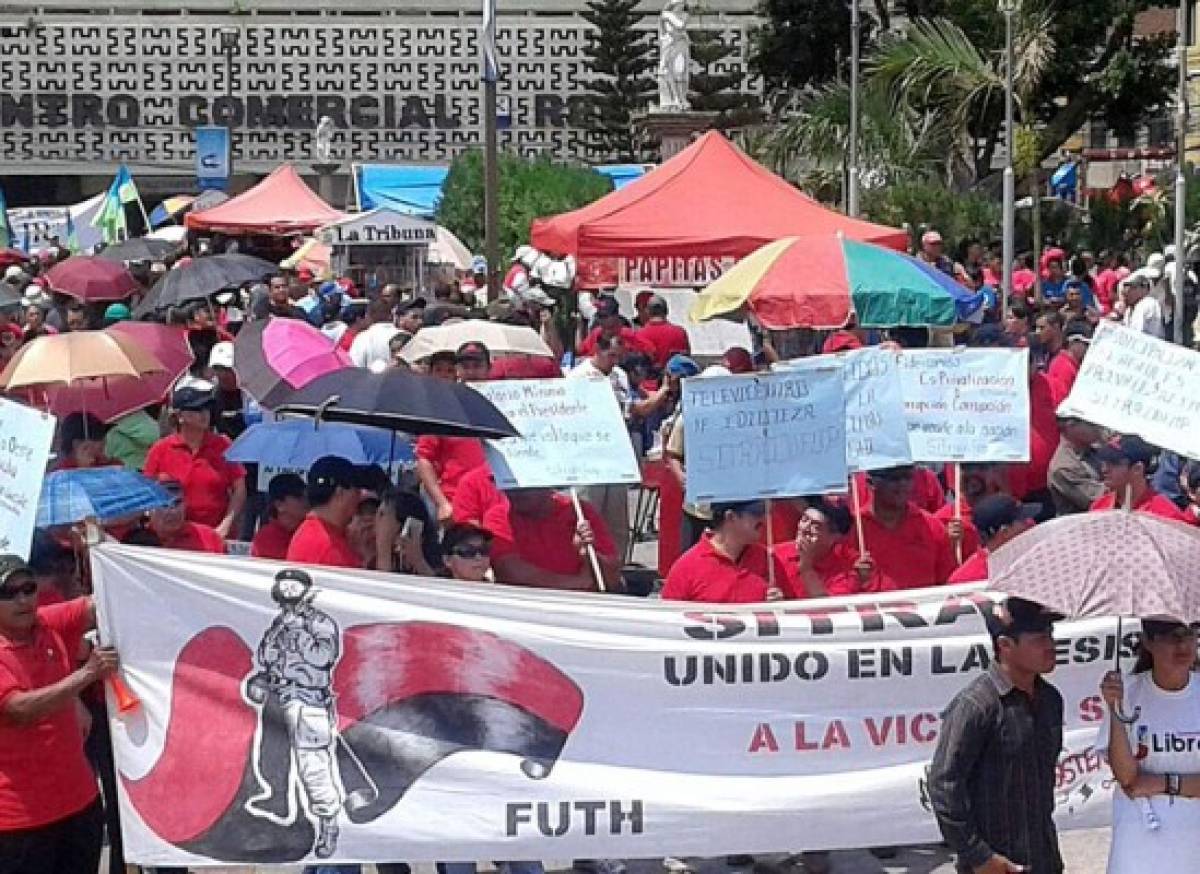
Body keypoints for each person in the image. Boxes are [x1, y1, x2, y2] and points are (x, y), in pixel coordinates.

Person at [928, 597, 1065, 874]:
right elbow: (944, 785)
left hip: (1043, 859)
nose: (1050, 645)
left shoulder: (1050, 699)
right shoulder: (976, 705)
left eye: (1050, 635)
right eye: (1039, 638)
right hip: (994, 864)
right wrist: (978, 856)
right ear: (1005, 646)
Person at [0, 554, 117, 874]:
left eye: (28, 588)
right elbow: (19, 710)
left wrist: (110, 557)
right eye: (8, 593)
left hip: (80, 805)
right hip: (20, 822)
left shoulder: (46, 623)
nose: (23, 599)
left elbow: (97, 604)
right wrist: (86, 675)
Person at [1098, 618, 1200, 874]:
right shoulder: (1127, 692)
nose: (1182, 644)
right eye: (1171, 636)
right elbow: (1128, 779)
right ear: (1148, 643)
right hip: (1139, 848)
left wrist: (1163, 784)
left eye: (1190, 633)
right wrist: (1114, 709)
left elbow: (1144, 783)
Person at [143, 383, 247, 537]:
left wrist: (225, 526)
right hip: (172, 537)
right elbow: (147, 492)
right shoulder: (161, 450)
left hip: (215, 535)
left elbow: (239, 489)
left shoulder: (223, 445)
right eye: (197, 409)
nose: (204, 414)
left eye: (206, 408)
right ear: (179, 416)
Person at [485, 487, 622, 591]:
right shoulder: (498, 517)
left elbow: (611, 580)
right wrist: (578, 583)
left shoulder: (580, 512)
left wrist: (589, 556)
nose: (517, 492)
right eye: (511, 485)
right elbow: (510, 572)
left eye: (526, 486)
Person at [844, 466, 957, 591]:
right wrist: (855, 578)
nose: (903, 484)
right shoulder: (852, 529)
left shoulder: (932, 526)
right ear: (871, 483)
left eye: (908, 477)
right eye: (894, 478)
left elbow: (948, 582)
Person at [662, 500, 792, 602]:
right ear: (730, 517)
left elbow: (792, 615)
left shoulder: (768, 560)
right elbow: (669, 624)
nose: (764, 518)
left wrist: (780, 605)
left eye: (766, 511)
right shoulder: (686, 569)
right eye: (757, 512)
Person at [287, 456, 394, 570]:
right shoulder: (330, 548)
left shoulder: (314, 532)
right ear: (340, 493)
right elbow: (367, 586)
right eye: (356, 490)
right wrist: (384, 546)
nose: (359, 496)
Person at [1090, 435, 1191, 522]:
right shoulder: (1099, 507)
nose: (1104, 470)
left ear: (1137, 469)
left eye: (1114, 463)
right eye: (1104, 463)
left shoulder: (1165, 514)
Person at [947, 495, 1039, 583]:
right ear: (1005, 532)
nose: (1029, 522)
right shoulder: (964, 581)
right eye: (1022, 520)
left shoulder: (1032, 557)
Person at [134, 480, 227, 553]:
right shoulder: (134, 542)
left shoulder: (209, 538)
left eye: (177, 503)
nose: (173, 511)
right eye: (164, 505)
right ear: (149, 509)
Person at [1047, 416, 1104, 515]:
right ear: (1071, 426)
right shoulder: (1064, 467)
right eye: (1091, 424)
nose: (1098, 428)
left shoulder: (1093, 449)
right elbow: (1099, 501)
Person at [251, 473, 309, 560]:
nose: (306, 501)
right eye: (299, 497)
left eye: (306, 496)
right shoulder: (267, 538)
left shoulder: (307, 530)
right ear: (279, 505)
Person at [578, 295, 651, 358]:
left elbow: (650, 351)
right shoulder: (596, 333)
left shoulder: (628, 334)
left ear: (615, 316)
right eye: (599, 316)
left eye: (604, 316)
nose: (601, 320)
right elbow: (580, 352)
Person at [634, 294, 690, 371]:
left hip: (648, 381)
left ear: (648, 311)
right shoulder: (680, 333)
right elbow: (687, 362)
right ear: (667, 311)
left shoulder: (639, 335)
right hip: (676, 380)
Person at [1045, 321, 1091, 405]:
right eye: (1085, 344)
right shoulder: (1063, 365)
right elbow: (1060, 398)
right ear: (1072, 342)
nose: (1087, 348)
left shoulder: (1073, 365)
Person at [1123, 272, 1165, 339]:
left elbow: (1138, 332)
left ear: (1144, 289)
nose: (1130, 291)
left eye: (1134, 288)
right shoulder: (1130, 308)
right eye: (1129, 288)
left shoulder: (1148, 303)